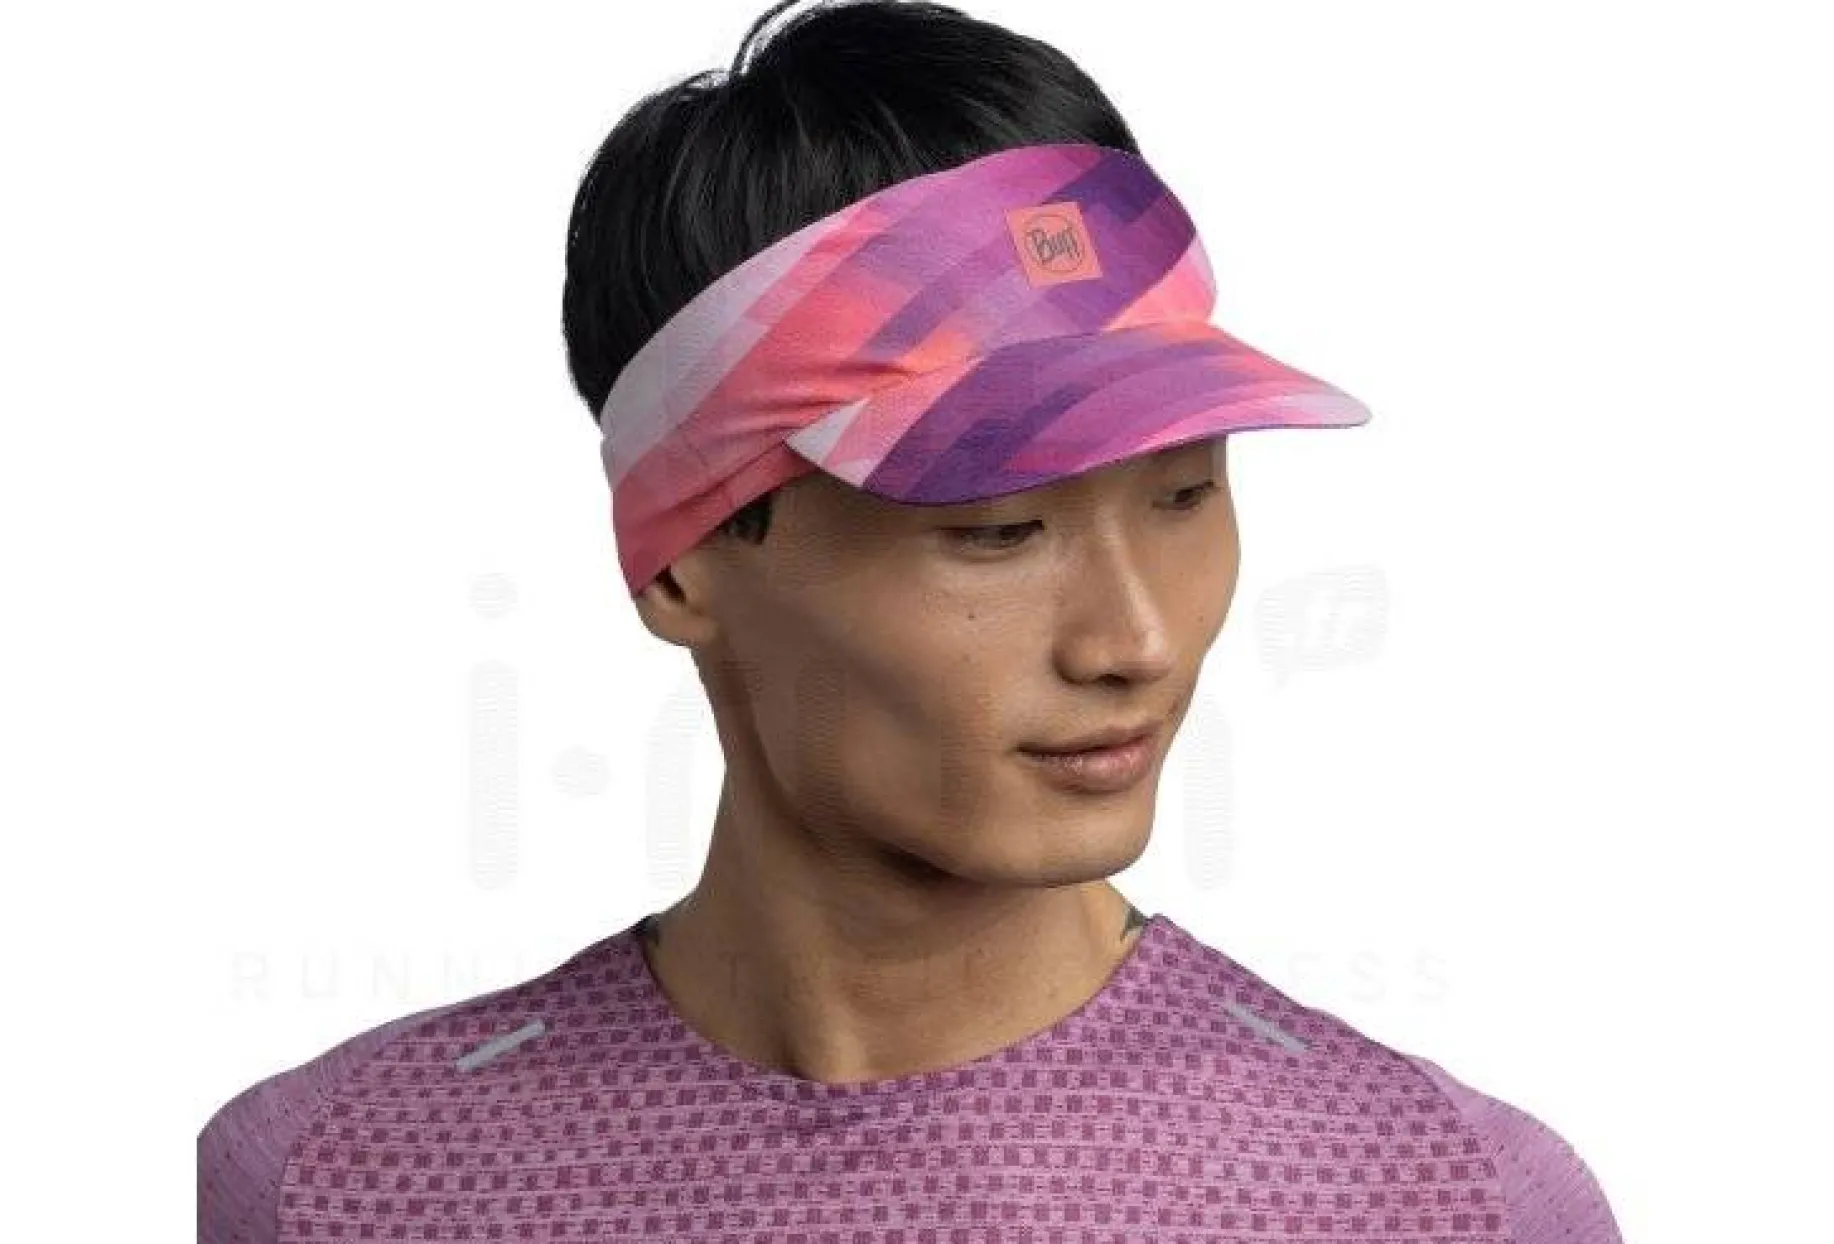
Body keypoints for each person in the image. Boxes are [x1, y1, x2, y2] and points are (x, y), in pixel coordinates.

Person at [198, 2, 1623, 1239]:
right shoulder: (335, 1183)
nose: (1135, 640)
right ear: (681, 562)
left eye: (1185, 495)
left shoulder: (1439, 1197)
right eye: (997, 529)